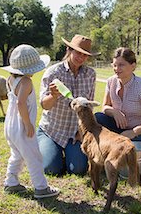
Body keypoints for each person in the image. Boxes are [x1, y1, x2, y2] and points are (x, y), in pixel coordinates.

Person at [2, 44, 60, 199]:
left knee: (17, 154)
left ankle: (11, 182)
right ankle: (41, 188)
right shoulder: (26, 82)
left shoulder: (11, 79)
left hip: (10, 125)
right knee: (34, 156)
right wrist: (28, 124)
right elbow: (21, 103)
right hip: (21, 125)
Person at [37, 35, 100, 176]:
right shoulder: (53, 72)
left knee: (78, 170)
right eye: (78, 52)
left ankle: (63, 155)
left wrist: (82, 132)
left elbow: (88, 107)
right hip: (52, 130)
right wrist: (53, 96)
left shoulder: (90, 74)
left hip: (75, 133)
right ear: (69, 49)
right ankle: (51, 150)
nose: (81, 57)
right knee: (51, 170)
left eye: (85, 55)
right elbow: (44, 105)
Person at [95, 47, 141, 146]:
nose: (116, 69)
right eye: (114, 65)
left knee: (127, 147)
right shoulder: (111, 81)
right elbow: (105, 107)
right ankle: (109, 144)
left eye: (121, 65)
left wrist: (133, 132)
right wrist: (115, 112)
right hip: (119, 127)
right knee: (98, 117)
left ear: (133, 66)